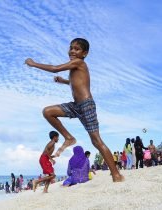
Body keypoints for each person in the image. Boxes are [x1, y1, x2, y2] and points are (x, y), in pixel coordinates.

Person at [25, 38, 124, 182]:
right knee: (48, 112)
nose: (72, 51)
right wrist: (64, 81)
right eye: (71, 48)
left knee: (96, 141)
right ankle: (69, 137)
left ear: (85, 53)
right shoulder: (75, 66)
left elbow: (55, 68)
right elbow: (76, 82)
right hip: (75, 106)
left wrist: (33, 64)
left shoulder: (79, 62)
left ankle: (116, 175)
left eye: (77, 49)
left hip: (86, 105)